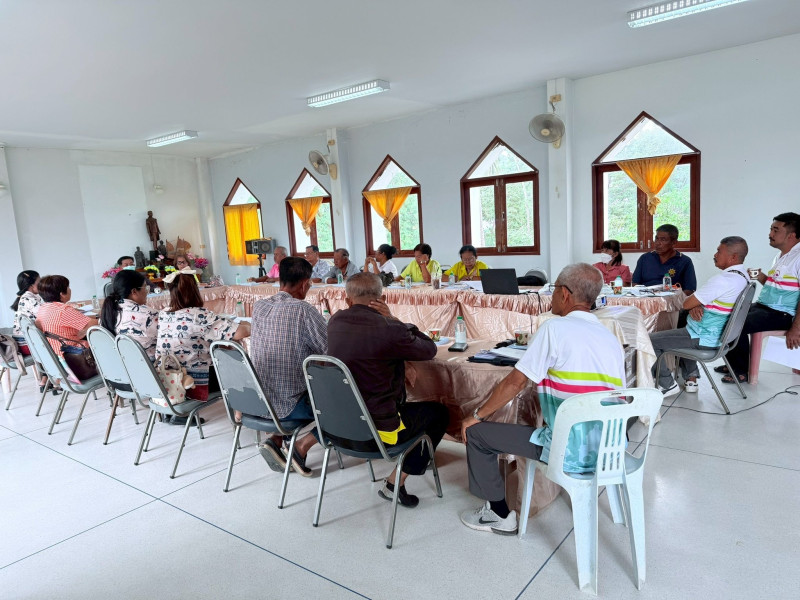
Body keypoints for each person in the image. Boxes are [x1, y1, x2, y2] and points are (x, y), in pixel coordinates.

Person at [459, 263, 626, 535]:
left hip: (570, 450)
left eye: (554, 289)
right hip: (610, 448)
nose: (551, 295)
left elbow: (515, 382)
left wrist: (475, 415)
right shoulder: (609, 337)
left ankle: (498, 515)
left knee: (476, 433)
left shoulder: (554, 329)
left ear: (565, 294)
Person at [327, 273, 449, 507]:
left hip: (338, 428)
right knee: (439, 414)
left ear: (347, 299)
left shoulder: (335, 321)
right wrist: (394, 319)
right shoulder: (388, 327)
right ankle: (395, 483)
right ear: (382, 298)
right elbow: (429, 350)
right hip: (377, 432)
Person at [250, 256, 326, 476]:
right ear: (304, 284)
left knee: (285, 377)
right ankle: (300, 447)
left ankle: (276, 438)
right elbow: (329, 349)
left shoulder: (259, 306)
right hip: (291, 406)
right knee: (345, 402)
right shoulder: (303, 310)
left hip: (260, 401)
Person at [649, 237, 749, 393]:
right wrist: (698, 304)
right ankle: (691, 376)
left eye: (719, 251)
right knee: (684, 324)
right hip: (718, 336)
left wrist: (694, 304)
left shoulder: (722, 280)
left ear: (733, 257)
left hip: (703, 337)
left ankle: (667, 384)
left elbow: (686, 303)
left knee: (648, 341)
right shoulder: (743, 276)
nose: (715, 255)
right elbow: (699, 303)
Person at [724, 213, 800, 384]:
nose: (770, 234)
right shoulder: (781, 256)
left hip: (782, 314)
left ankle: (741, 371)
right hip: (765, 307)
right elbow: (778, 286)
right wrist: (760, 276)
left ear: (791, 235)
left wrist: (796, 329)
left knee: (736, 323)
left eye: (776, 230)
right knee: (726, 314)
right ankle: (734, 363)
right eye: (771, 229)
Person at [156, 271, 249, 401]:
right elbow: (239, 333)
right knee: (237, 357)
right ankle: (244, 405)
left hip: (167, 380)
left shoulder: (163, 314)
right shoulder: (198, 315)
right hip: (195, 383)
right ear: (195, 290)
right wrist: (248, 324)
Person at [36, 275, 99, 362]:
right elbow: (94, 324)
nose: (70, 289)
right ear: (62, 294)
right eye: (68, 287)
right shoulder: (63, 310)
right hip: (74, 356)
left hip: (55, 355)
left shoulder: (43, 308)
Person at [100, 269, 159, 361]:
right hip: (148, 366)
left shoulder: (108, 312)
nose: (147, 292)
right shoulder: (150, 314)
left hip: (122, 364)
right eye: (145, 288)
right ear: (134, 291)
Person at [632, 224, 696, 293]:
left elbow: (690, 290)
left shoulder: (684, 261)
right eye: (656, 238)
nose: (657, 243)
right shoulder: (645, 258)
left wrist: (673, 298)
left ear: (674, 242)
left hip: (672, 298)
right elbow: (635, 284)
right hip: (646, 297)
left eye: (663, 239)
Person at [11, 270, 43, 355]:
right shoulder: (30, 299)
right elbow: (47, 316)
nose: (42, 284)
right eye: (40, 282)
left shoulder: (25, 297)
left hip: (23, 344)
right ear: (32, 285)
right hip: (29, 346)